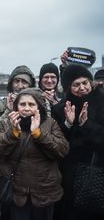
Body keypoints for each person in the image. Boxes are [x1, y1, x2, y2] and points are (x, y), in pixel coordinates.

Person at [0, 88, 69, 220]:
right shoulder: (7, 123)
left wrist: (39, 134)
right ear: (16, 107)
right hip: (17, 193)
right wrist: (12, 133)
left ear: (39, 107)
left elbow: (62, 150)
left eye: (31, 104)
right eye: (22, 104)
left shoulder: (50, 123)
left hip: (44, 191)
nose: (26, 108)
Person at [52, 64, 104, 220]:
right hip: (70, 175)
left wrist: (85, 125)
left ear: (90, 82)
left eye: (85, 83)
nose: (82, 87)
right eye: (76, 84)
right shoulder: (60, 108)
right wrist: (68, 124)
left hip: (97, 172)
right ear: (68, 87)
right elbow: (58, 143)